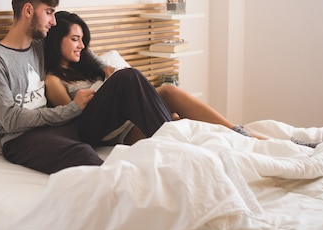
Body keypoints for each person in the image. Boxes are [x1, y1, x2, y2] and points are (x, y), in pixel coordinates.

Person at [0, 0, 177, 174]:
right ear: (28, 10)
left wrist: (105, 67)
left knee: (129, 77)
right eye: (49, 12)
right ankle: (125, 188)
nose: (53, 21)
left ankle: (177, 150)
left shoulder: (40, 45)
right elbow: (11, 120)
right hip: (22, 139)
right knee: (82, 154)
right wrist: (71, 109)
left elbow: (84, 52)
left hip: (63, 127)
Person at [44, 10, 258, 144]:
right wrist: (106, 89)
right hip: (97, 131)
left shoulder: (88, 64)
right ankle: (178, 142)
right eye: (74, 39)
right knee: (129, 77)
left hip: (127, 122)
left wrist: (106, 71)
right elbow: (71, 122)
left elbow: (97, 61)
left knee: (169, 91)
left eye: (83, 40)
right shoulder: (53, 80)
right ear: (56, 40)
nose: (81, 46)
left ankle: (238, 133)